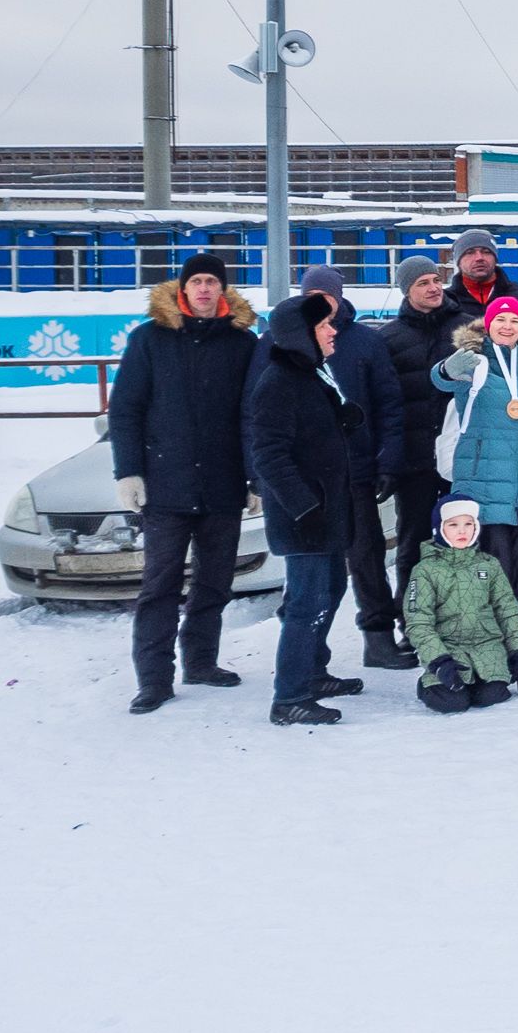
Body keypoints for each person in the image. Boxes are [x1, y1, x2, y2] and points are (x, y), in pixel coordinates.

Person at [111, 251, 260, 714]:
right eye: (195, 281)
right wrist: (129, 471)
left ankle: (200, 661)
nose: (202, 289)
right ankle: (154, 679)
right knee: (160, 586)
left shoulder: (242, 343)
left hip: (222, 486)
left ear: (222, 290)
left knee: (215, 582)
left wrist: (254, 478)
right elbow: (126, 409)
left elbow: (253, 415)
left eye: (211, 282)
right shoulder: (149, 339)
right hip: (165, 488)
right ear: (182, 289)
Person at [246, 289, 367, 726]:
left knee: (330, 591)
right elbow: (269, 454)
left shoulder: (311, 373)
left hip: (326, 509)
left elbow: (309, 434)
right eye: (323, 325)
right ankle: (290, 697)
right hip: (305, 516)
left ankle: (314, 672)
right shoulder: (278, 381)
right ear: (302, 335)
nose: (333, 331)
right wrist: (302, 505)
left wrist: (341, 418)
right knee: (306, 602)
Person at [287, 266, 411, 672]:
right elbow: (260, 416)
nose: (320, 302)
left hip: (355, 472)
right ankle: (305, 651)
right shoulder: (279, 342)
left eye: (327, 295)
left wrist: (387, 460)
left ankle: (378, 639)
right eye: (313, 295)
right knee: (310, 566)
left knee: (367, 559)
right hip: (305, 478)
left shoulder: (364, 342)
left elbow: (390, 405)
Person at [429, 295, 518, 627]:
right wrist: (445, 369)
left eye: (514, 321)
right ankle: (491, 642)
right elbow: (441, 380)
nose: (507, 326)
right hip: (482, 481)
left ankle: (512, 636)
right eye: (500, 320)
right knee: (495, 569)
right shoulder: (474, 360)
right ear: (488, 325)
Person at [375, 255, 457, 606]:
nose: (433, 287)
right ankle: (412, 619)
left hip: (457, 458)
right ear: (406, 291)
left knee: (462, 541)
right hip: (415, 461)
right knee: (413, 543)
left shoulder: (466, 328)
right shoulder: (388, 338)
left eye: (436, 280)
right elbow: (382, 404)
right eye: (423, 283)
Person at [405, 493, 518, 712]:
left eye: (468, 524)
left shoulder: (489, 565)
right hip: (448, 650)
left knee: (492, 695)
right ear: (440, 529)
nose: (462, 531)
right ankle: (427, 684)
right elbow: (419, 622)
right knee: (453, 702)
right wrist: (439, 661)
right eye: (453, 524)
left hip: (487, 648)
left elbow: (507, 611)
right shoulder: (425, 571)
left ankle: (478, 682)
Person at [435, 230, 510, 329]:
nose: (479, 258)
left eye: (486, 252)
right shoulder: (444, 301)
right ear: (458, 262)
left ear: (495, 258)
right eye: (470, 252)